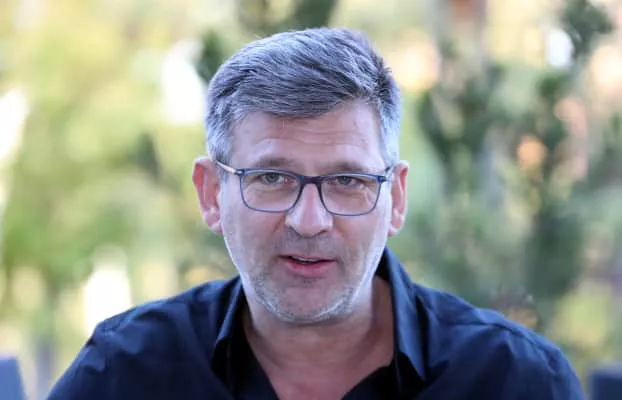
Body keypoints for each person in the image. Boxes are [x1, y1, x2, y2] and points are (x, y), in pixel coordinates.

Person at [48, 27, 584, 400]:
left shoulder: (515, 382)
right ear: (211, 193)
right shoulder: (123, 375)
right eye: (271, 178)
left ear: (396, 198)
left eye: (347, 181)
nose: (309, 221)